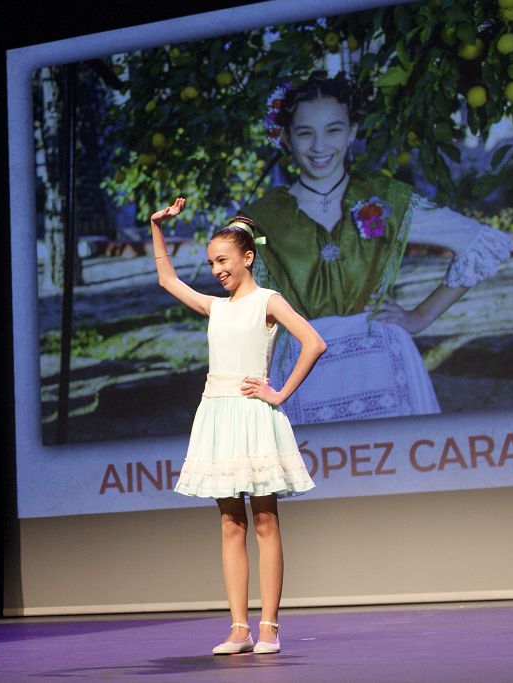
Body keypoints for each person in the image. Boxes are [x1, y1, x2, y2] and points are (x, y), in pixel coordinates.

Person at [242, 71, 513, 425]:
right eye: (305, 132)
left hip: (384, 365)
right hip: (302, 371)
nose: (320, 145)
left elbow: (481, 242)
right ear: (287, 137)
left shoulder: (384, 198)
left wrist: (420, 317)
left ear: (352, 131)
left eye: (334, 129)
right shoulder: (261, 217)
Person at [151, 198, 325, 655]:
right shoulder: (216, 307)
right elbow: (167, 279)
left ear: (247, 258)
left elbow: (314, 342)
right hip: (217, 411)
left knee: (265, 518)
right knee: (231, 523)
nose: (216, 270)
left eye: (222, 260)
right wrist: (156, 227)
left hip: (251, 413)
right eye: (211, 262)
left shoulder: (268, 301)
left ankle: (269, 626)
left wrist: (280, 393)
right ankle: (237, 628)